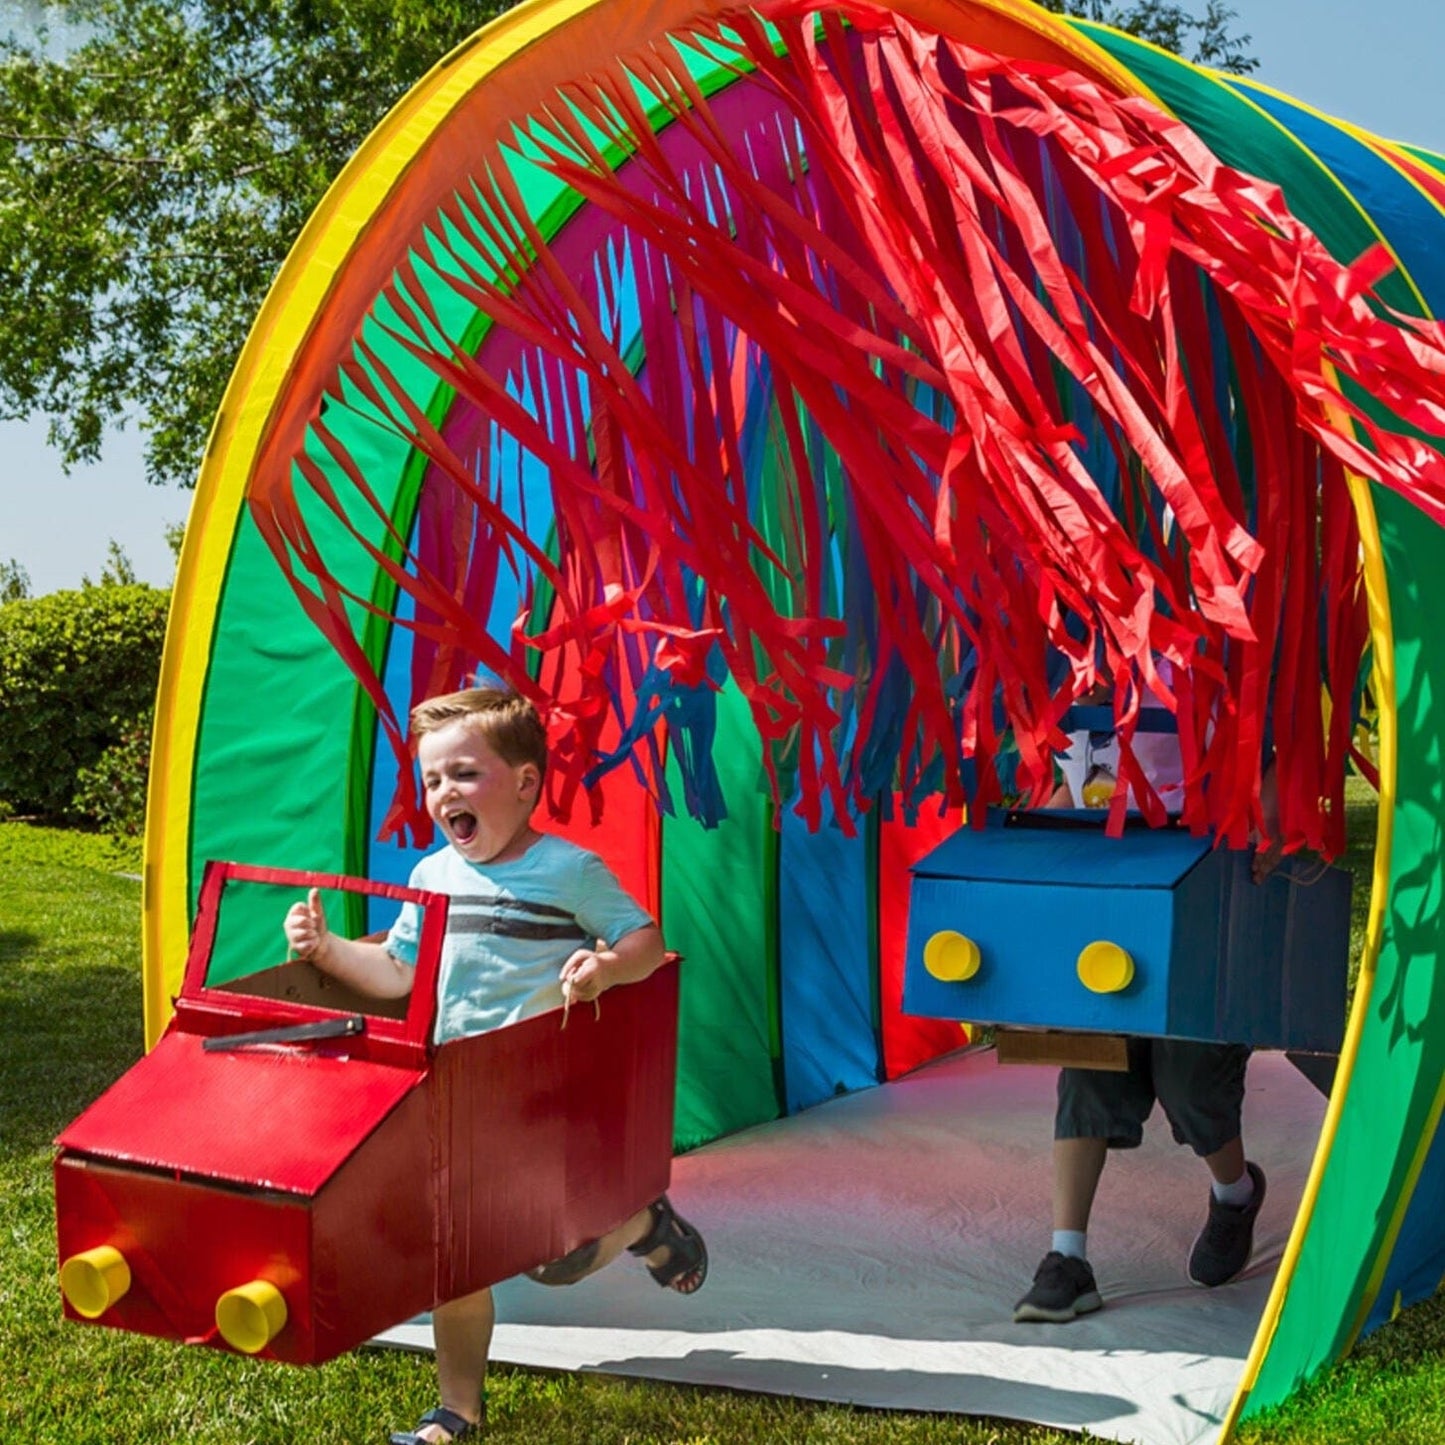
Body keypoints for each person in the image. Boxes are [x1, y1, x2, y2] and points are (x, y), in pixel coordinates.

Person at [284, 686, 706, 1444]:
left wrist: (606, 968)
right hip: (459, 1095)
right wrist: (328, 950)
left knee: (559, 1260)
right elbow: (399, 972)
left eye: (464, 774)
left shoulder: (568, 870)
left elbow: (644, 941)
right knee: (454, 1260)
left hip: (541, 1099)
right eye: (432, 779)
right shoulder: (430, 875)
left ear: (523, 782)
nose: (444, 792)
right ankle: (457, 1410)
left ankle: (645, 1223)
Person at [1012, 691, 1273, 1325]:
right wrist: (1030, 844)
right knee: (1089, 1067)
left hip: (1198, 902)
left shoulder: (1200, 673)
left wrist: (1262, 833)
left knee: (1190, 1078)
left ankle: (1235, 1194)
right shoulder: (1080, 692)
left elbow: (1261, 765)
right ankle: (1066, 1257)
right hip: (1106, 910)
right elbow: (1078, 788)